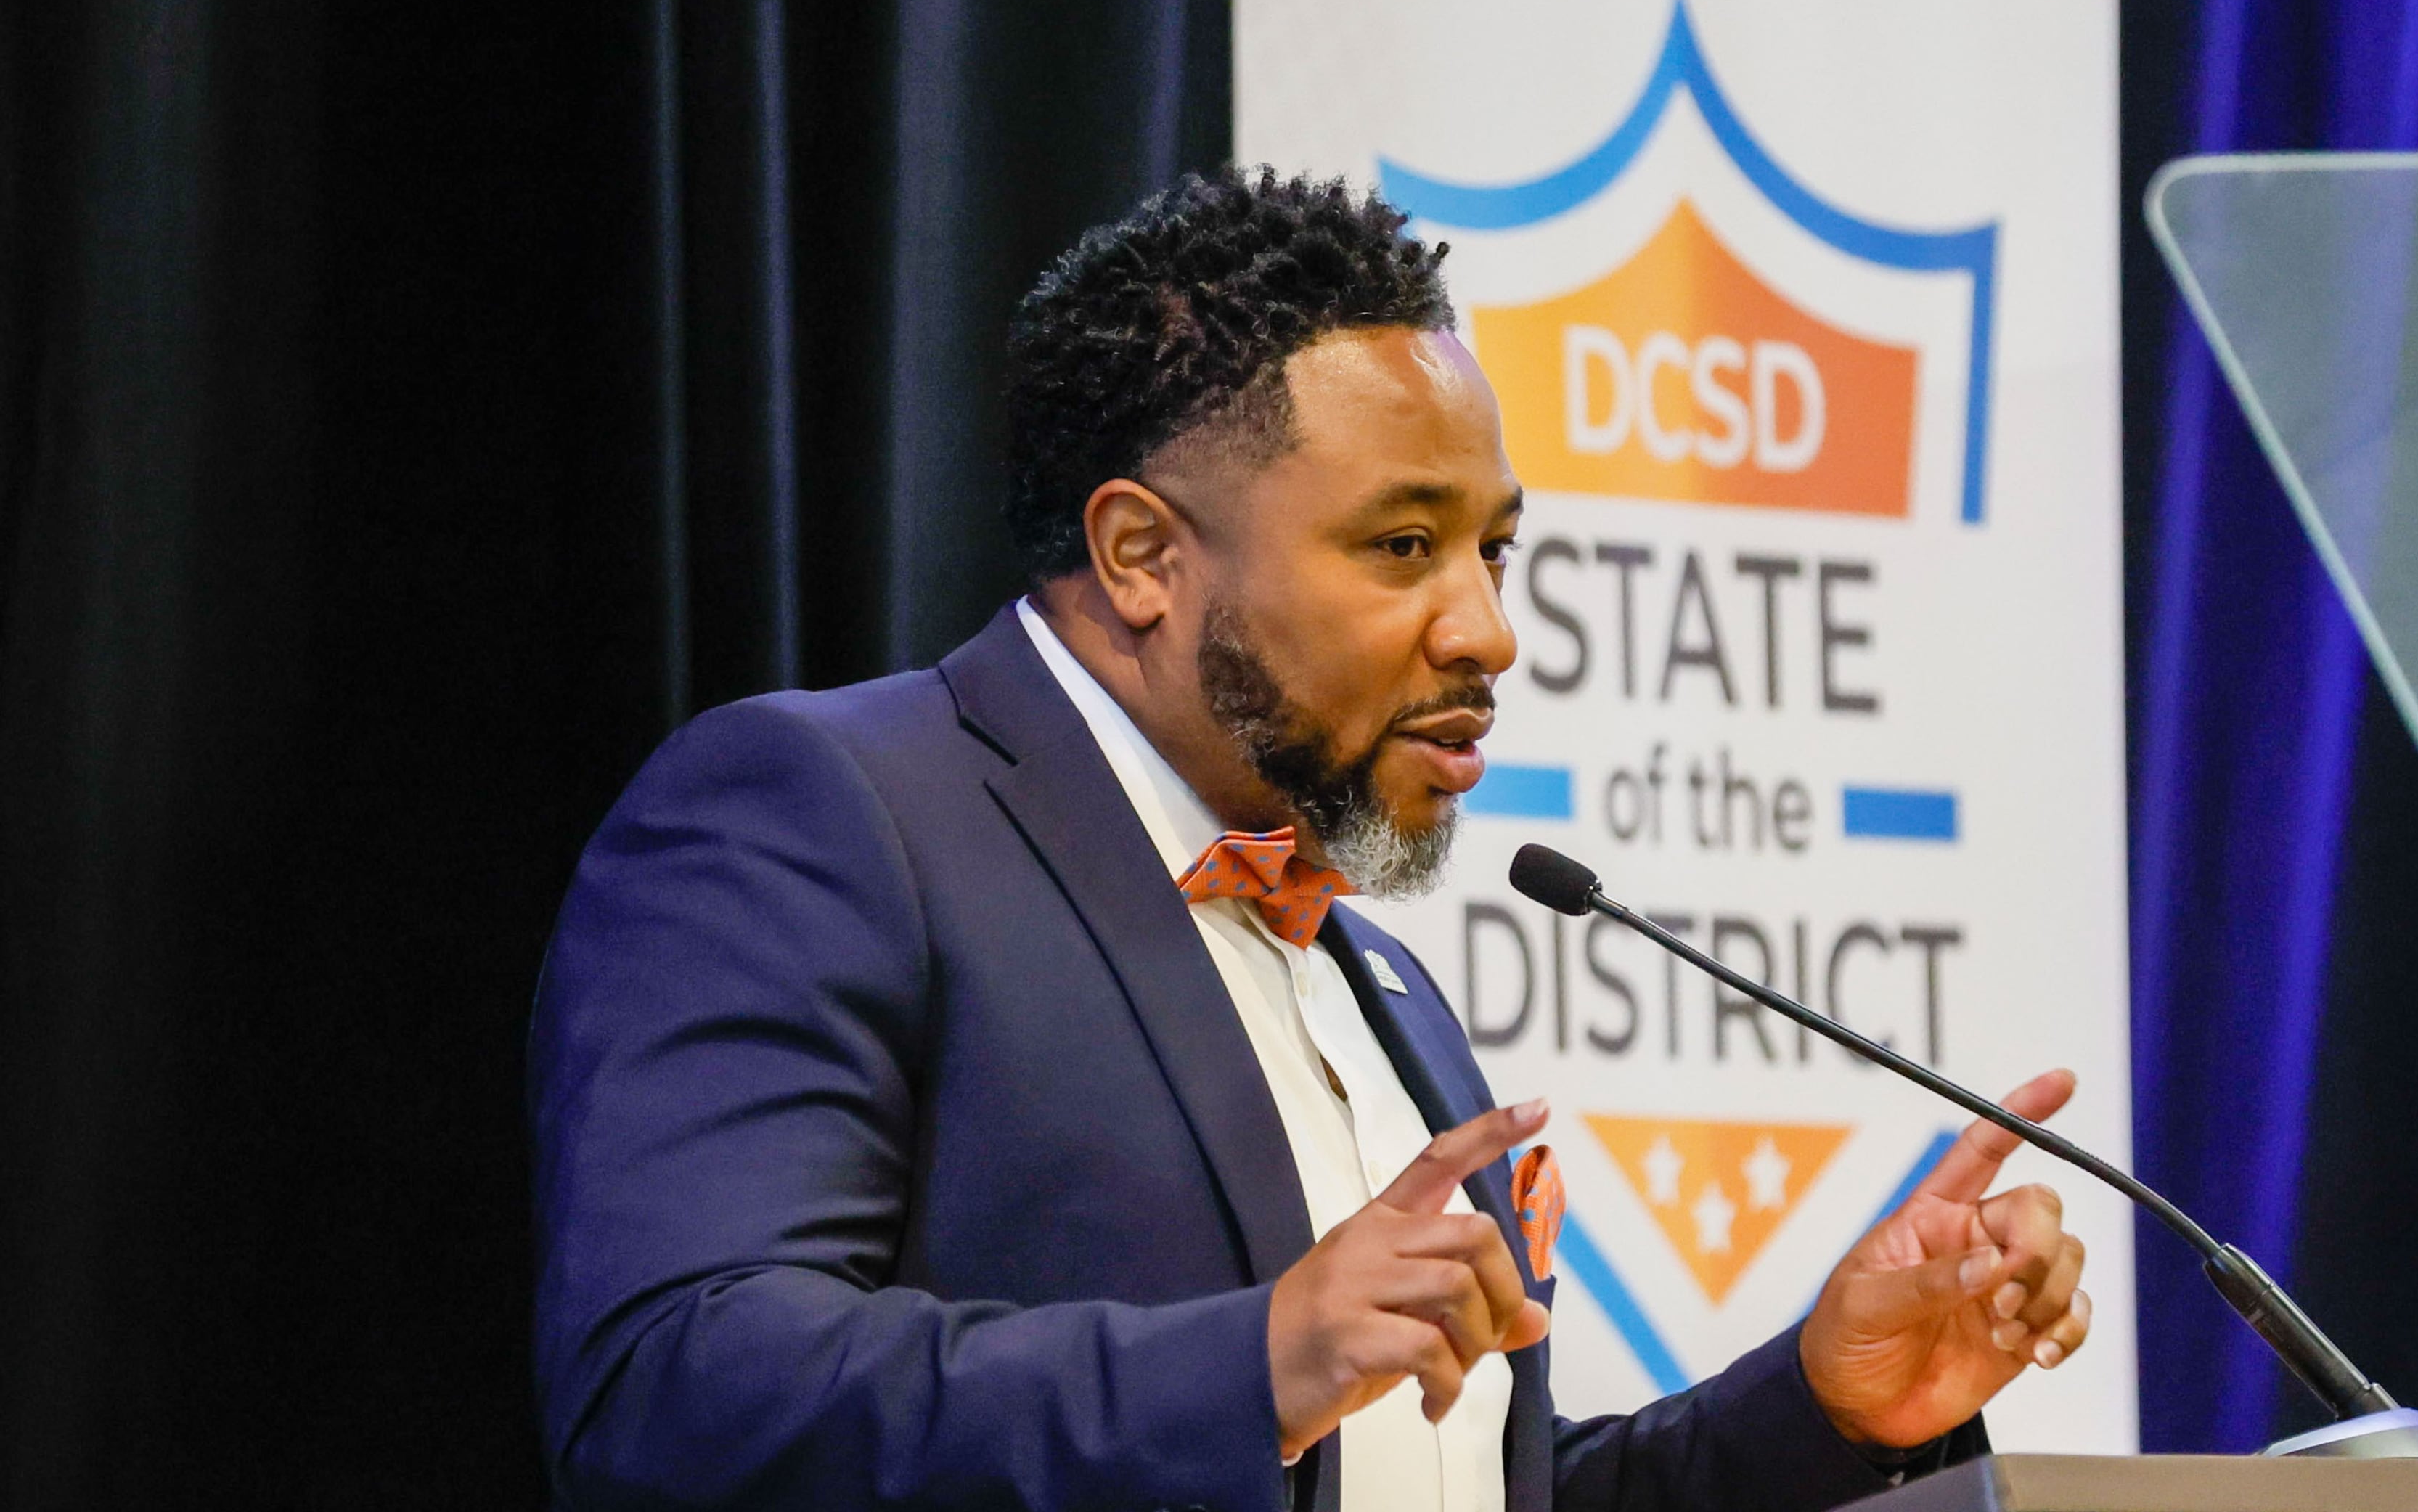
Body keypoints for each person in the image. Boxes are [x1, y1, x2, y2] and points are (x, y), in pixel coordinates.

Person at [528, 168, 2091, 1512]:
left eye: (1494, 549)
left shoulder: (1376, 980)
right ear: (1140, 552)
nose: (1489, 629)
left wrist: (1823, 1405)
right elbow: (670, 1388)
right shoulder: (831, 813)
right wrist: (1258, 1358)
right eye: (1403, 546)